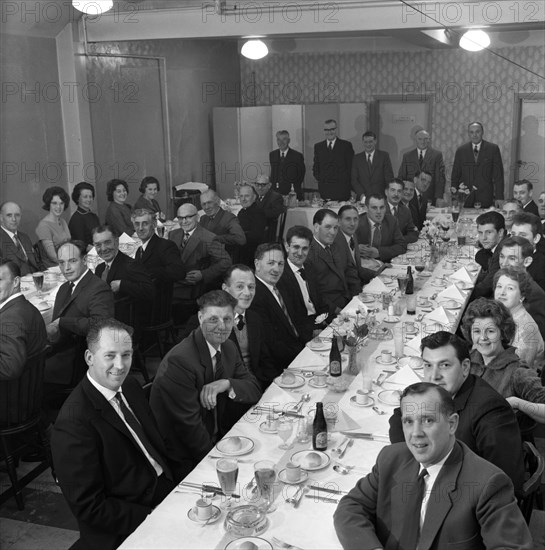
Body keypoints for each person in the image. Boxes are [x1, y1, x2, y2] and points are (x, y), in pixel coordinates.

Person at [334, 382, 531, 550]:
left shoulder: (489, 483)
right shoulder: (391, 458)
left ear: (452, 424)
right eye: (408, 421)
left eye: (427, 420)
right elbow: (350, 507)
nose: (415, 433)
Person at [51, 318, 179, 550]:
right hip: (129, 520)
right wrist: (152, 517)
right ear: (89, 358)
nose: (120, 365)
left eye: (126, 355)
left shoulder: (129, 386)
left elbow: (156, 445)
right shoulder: (73, 423)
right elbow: (90, 506)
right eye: (110, 355)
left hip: (164, 490)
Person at [388, 331, 525, 495]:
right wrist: (414, 459)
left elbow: (504, 481)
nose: (434, 376)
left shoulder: (492, 411)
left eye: (444, 365)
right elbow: (399, 417)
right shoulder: (439, 391)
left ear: (465, 367)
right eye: (428, 365)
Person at [150, 290, 261, 465]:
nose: (222, 326)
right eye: (213, 319)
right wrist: (218, 461)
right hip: (185, 456)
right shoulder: (179, 361)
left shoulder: (228, 347)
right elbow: (189, 428)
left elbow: (254, 389)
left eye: (227, 319)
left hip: (220, 439)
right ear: (200, 318)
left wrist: (226, 383)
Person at [45, 241, 114, 385]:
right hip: (60, 352)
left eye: (72, 261)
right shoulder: (64, 288)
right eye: (61, 263)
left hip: (78, 363)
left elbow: (102, 326)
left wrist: (63, 322)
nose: (66, 268)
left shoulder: (98, 288)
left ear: (84, 260)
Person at [461, 298, 545, 406]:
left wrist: (517, 403)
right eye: (477, 331)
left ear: (502, 332)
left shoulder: (517, 373)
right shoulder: (467, 358)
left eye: (490, 331)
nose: (483, 337)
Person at [250, 243, 305, 379]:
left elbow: (297, 321)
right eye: (271, 263)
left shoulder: (280, 286)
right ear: (257, 264)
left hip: (297, 350)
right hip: (281, 366)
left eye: (280, 264)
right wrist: (304, 354)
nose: (277, 269)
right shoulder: (255, 296)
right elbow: (272, 344)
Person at [168, 203, 232, 304]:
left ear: (197, 217)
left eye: (188, 217)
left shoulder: (209, 238)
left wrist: (203, 274)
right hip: (173, 282)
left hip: (191, 289)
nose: (184, 221)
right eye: (180, 218)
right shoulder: (173, 234)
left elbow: (226, 261)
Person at [93, 225, 153, 327]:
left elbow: (149, 290)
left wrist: (123, 285)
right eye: (98, 245)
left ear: (116, 242)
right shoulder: (99, 268)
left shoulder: (130, 265)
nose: (103, 249)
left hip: (124, 325)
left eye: (107, 242)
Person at [305, 209, 360, 314]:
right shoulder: (308, 253)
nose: (333, 232)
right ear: (316, 227)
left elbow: (350, 272)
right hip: (330, 311)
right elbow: (313, 293)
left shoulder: (337, 245)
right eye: (328, 227)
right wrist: (337, 311)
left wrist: (357, 297)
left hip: (349, 302)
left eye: (335, 228)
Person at [0, 260, 47, 381]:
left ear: (15, 282)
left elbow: (9, 368)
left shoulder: (9, 318)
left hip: (10, 395)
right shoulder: (28, 308)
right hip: (30, 389)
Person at [277, 225, 324, 343]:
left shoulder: (310, 268)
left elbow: (320, 300)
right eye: (296, 247)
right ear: (287, 247)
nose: (300, 253)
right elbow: (291, 316)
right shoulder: (281, 276)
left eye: (304, 248)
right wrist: (313, 331)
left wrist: (329, 321)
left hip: (319, 323)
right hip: (301, 332)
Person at [496, 236, 545, 341]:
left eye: (512, 258)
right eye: (502, 256)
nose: (503, 263)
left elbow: (533, 337)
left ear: (527, 261)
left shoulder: (534, 294)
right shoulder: (506, 281)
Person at [493, 267, 544, 367]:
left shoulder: (525, 329)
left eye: (510, 288)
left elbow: (518, 371)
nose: (502, 292)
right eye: (499, 286)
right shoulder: (503, 314)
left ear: (522, 296)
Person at [451, 121, 504, 208]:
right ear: (468, 134)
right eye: (471, 132)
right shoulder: (461, 150)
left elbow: (499, 175)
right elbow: (455, 176)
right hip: (465, 196)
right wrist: (454, 198)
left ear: (482, 132)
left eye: (477, 132)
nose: (474, 135)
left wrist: (499, 197)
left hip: (486, 195)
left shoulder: (493, 149)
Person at [132, 209, 187, 284]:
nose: (140, 228)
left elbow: (179, 272)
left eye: (145, 224)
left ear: (154, 224)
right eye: (137, 224)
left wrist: (145, 271)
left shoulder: (166, 246)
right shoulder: (139, 251)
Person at [398, 129, 446, 205]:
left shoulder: (437, 155)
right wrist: (400, 194)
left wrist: (439, 197)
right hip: (410, 196)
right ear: (415, 139)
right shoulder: (407, 156)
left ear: (429, 140)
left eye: (425, 139)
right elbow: (402, 176)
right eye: (420, 139)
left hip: (430, 196)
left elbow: (440, 178)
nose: (422, 141)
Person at [356, 194, 406, 262]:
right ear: (366, 208)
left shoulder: (391, 221)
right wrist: (355, 248)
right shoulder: (356, 223)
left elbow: (402, 246)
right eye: (374, 208)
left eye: (382, 207)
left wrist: (379, 253)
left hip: (385, 265)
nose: (379, 212)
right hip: (362, 265)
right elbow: (344, 246)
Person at [313, 119, 354, 201]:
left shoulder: (346, 146)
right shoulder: (318, 147)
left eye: (332, 129)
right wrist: (322, 179)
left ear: (336, 129)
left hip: (342, 191)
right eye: (327, 130)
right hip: (325, 191)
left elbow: (351, 168)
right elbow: (316, 168)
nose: (329, 132)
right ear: (324, 131)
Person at [335, 205, 375, 286]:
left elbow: (358, 268)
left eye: (355, 219)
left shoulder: (353, 236)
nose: (353, 223)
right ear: (339, 221)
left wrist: (378, 273)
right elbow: (344, 277)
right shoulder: (336, 242)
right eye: (348, 219)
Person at [0, 202, 41, 275]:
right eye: (9, 215)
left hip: (35, 280)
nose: (14, 219)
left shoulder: (25, 237)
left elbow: (36, 263)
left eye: (17, 215)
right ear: (1, 217)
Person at [199, 190, 246, 254]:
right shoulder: (203, 218)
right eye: (203, 204)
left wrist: (216, 238)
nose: (206, 207)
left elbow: (240, 239)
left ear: (218, 202)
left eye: (209, 202)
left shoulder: (229, 218)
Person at [350, 130, 394, 200]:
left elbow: (389, 177)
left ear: (375, 141)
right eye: (366, 142)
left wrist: (387, 194)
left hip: (381, 197)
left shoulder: (384, 156)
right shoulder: (356, 158)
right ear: (363, 142)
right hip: (362, 198)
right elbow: (354, 180)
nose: (368, 144)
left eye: (370, 142)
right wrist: (361, 195)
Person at [35, 186, 71, 268]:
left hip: (66, 262)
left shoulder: (63, 221)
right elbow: (53, 256)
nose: (58, 207)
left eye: (61, 203)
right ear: (49, 204)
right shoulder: (43, 226)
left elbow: (69, 244)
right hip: (54, 268)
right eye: (54, 203)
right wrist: (70, 263)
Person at [472, 210, 506, 297]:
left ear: (500, 232)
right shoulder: (499, 244)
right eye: (480, 233)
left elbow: (485, 288)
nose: (483, 238)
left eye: (489, 232)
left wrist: (463, 296)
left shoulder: (503, 253)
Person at [510, 211, 545, 286]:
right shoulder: (506, 257)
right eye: (513, 234)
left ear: (536, 238)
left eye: (522, 235)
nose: (516, 239)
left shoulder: (541, 268)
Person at [269, 130, 306, 199]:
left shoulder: (297, 156)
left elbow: (301, 176)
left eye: (284, 139)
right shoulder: (272, 154)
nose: (281, 142)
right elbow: (274, 174)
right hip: (276, 193)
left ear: (289, 140)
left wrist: (293, 190)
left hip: (292, 193)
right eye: (278, 140)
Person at [237, 184, 266, 265]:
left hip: (251, 252)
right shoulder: (243, 211)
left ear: (254, 197)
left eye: (246, 196)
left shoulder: (258, 213)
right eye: (241, 196)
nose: (243, 199)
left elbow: (256, 236)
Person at [252, 175, 285, 242]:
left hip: (267, 231)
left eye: (263, 185)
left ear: (269, 185)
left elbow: (275, 213)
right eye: (257, 184)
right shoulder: (254, 195)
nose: (260, 187)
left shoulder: (276, 197)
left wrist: (256, 212)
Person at [385, 179, 419, 243]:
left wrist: (399, 240)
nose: (396, 194)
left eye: (399, 191)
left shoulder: (406, 211)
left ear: (402, 193)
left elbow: (413, 233)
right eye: (393, 190)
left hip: (400, 248)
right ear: (386, 192)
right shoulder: (379, 208)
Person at [68, 182, 100, 249]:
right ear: (77, 198)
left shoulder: (93, 216)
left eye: (90, 197)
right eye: (85, 197)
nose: (88, 199)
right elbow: (80, 245)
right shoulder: (76, 219)